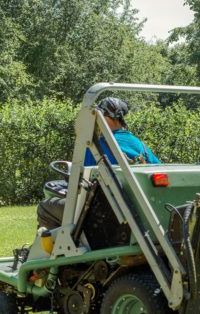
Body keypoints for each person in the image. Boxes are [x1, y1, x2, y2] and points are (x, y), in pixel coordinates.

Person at [37, 97, 161, 229]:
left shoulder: (95, 147)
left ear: (103, 117)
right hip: (140, 212)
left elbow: (82, 179)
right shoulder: (140, 146)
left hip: (103, 214)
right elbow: (159, 170)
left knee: (46, 207)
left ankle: (54, 248)